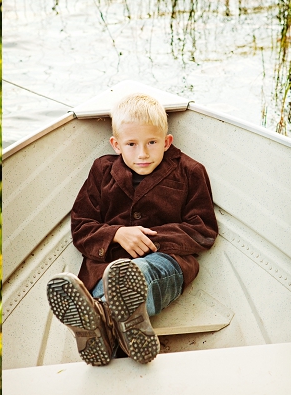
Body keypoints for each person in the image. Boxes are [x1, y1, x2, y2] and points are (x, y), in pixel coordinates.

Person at [45, 92, 219, 366]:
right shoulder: (102, 171)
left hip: (167, 262)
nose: (143, 153)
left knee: (139, 273)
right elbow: (81, 227)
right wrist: (116, 234)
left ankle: (100, 320)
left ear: (167, 141)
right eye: (132, 144)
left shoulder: (189, 171)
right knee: (115, 279)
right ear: (116, 144)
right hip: (106, 266)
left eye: (152, 142)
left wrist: (152, 240)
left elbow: (203, 229)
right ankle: (115, 329)